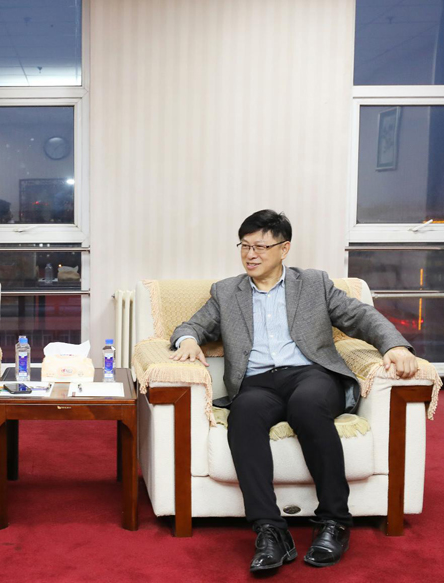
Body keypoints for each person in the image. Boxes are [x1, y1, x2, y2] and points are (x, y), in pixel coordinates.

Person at [169, 210, 417, 573]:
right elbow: (191, 325)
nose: (250, 254)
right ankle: (270, 530)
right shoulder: (226, 292)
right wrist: (189, 340)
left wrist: (394, 346)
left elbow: (361, 316)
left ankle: (334, 520)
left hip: (311, 376)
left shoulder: (314, 283)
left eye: (260, 247)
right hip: (257, 383)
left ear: (284, 249)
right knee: (244, 415)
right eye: (245, 246)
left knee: (307, 406)